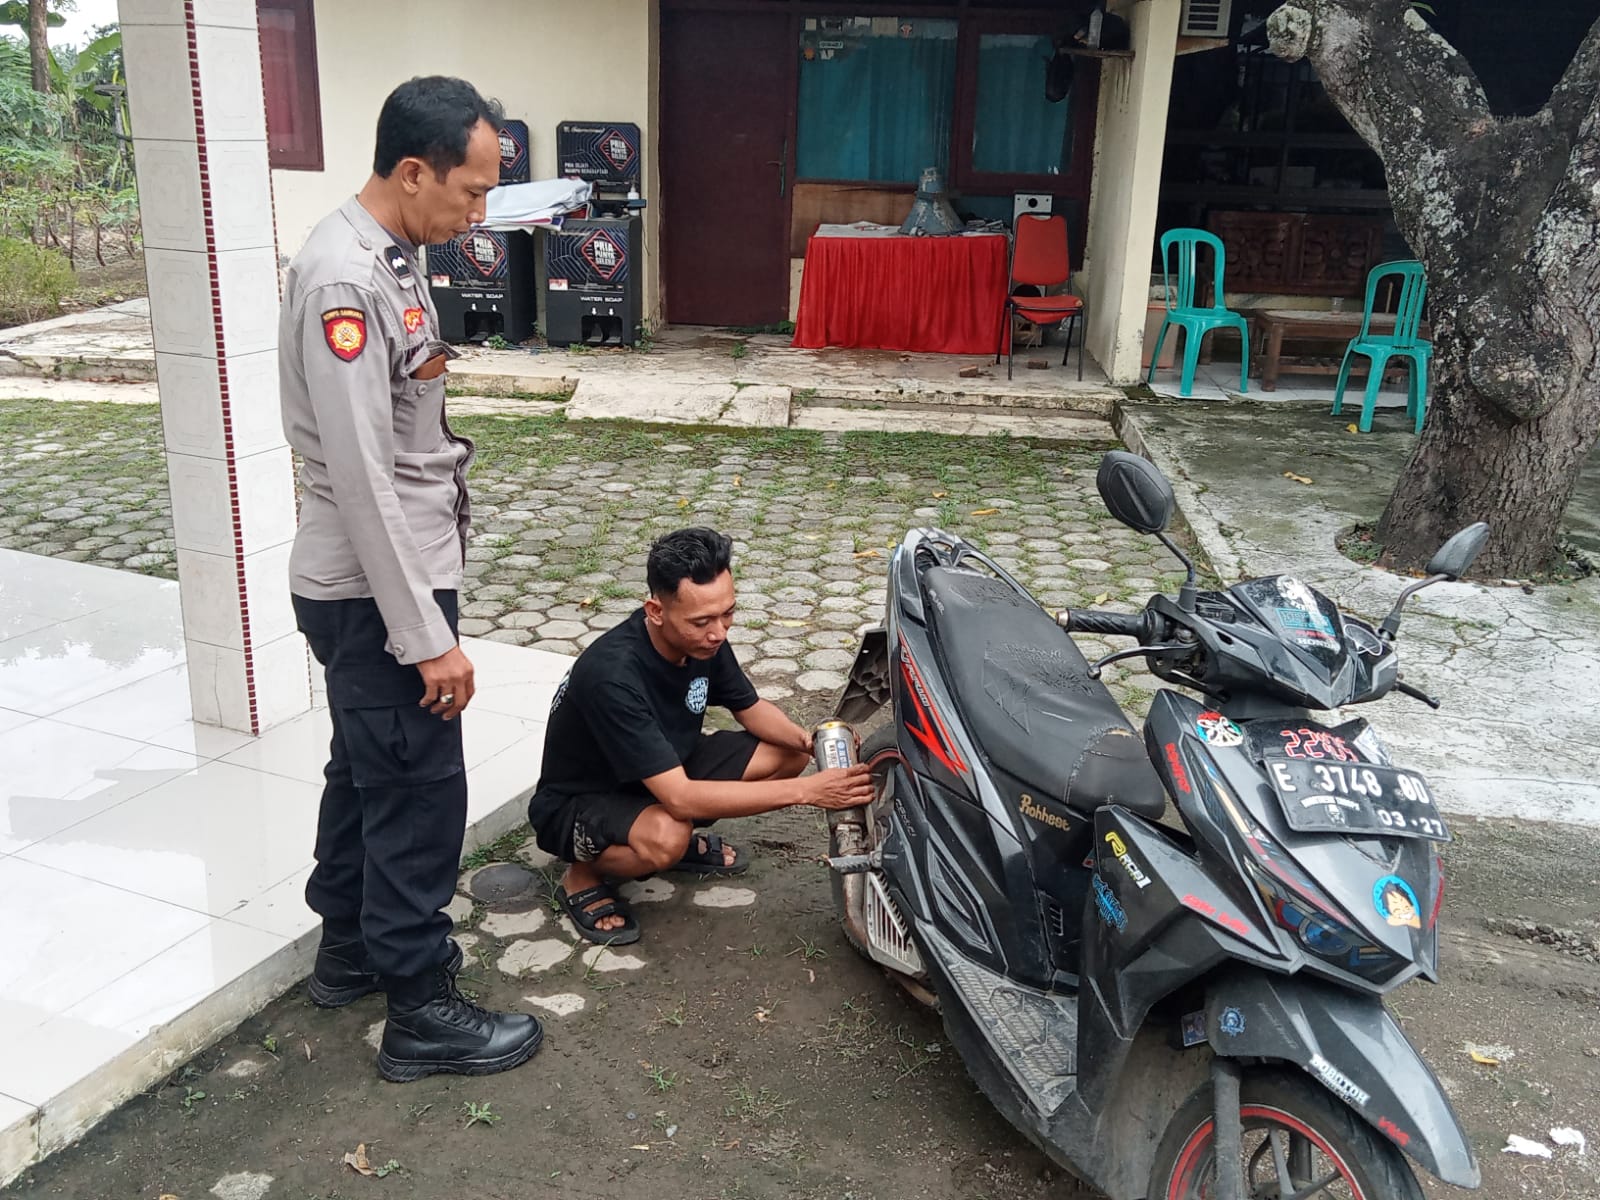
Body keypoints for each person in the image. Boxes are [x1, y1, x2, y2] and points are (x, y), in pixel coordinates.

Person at [280, 76, 543, 1082]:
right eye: (471, 192)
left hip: (381, 581)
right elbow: (361, 478)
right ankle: (420, 1009)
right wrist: (424, 636)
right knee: (417, 793)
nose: (478, 214)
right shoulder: (345, 283)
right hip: (375, 591)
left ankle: (348, 951)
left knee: (365, 772)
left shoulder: (391, 251)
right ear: (411, 172)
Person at [528, 527, 876, 944]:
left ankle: (656, 839)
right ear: (655, 611)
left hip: (662, 768)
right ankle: (583, 874)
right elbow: (680, 798)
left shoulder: (702, 639)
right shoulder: (612, 675)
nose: (719, 632)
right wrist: (809, 792)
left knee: (788, 754)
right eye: (702, 621)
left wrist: (809, 741)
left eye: (727, 613)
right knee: (668, 838)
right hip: (581, 801)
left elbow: (750, 708)